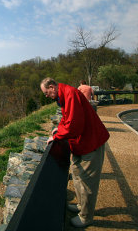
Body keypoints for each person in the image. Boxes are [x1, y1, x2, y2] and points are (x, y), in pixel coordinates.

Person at [40, 77, 109, 228]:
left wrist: (57, 136)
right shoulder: (64, 95)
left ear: (52, 87)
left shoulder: (70, 94)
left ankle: (86, 217)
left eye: (46, 92)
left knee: (87, 182)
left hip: (91, 143)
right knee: (77, 175)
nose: (46, 96)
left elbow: (74, 125)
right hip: (81, 143)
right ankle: (80, 205)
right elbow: (67, 118)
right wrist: (59, 128)